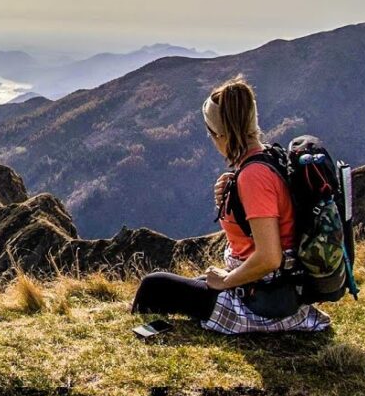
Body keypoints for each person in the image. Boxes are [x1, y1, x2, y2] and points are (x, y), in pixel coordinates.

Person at [129, 73, 331, 334]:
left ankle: (128, 332)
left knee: (153, 286)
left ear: (221, 135)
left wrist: (227, 280)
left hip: (261, 298)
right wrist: (232, 199)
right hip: (278, 287)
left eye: (211, 133)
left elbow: (270, 257)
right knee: (194, 283)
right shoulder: (270, 157)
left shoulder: (253, 176)